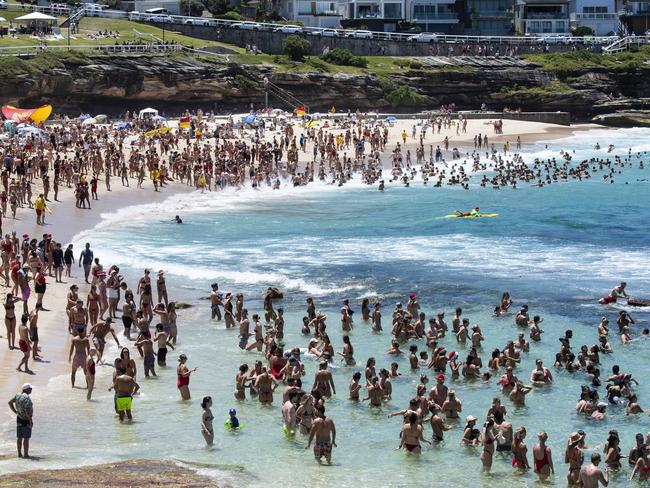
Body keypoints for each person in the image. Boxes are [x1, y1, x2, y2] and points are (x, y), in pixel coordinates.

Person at [8, 383, 33, 458]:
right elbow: (27, 410)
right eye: (30, 388)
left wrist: (15, 411)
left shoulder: (18, 395)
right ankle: (26, 455)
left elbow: (10, 402)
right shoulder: (27, 398)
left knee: (19, 437)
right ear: (27, 389)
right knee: (26, 438)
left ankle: (19, 454)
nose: (31, 390)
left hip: (19, 419)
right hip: (26, 420)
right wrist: (30, 421)